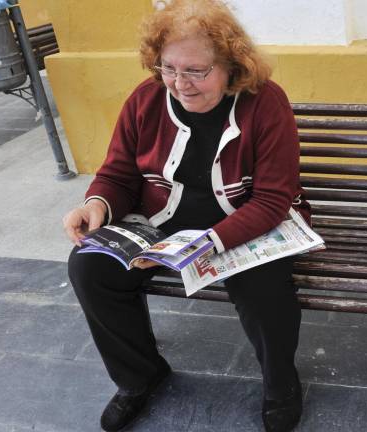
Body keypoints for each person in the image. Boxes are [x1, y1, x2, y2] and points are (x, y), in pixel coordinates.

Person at [61, 1, 308, 431]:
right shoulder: (145, 98)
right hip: (162, 223)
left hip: (245, 221)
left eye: (196, 71)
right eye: (168, 68)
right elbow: (118, 174)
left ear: (231, 64)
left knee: (264, 285)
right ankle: (139, 377)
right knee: (90, 268)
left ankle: (280, 384)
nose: (180, 84)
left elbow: (271, 200)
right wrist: (96, 204)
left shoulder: (265, 102)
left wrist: (208, 242)